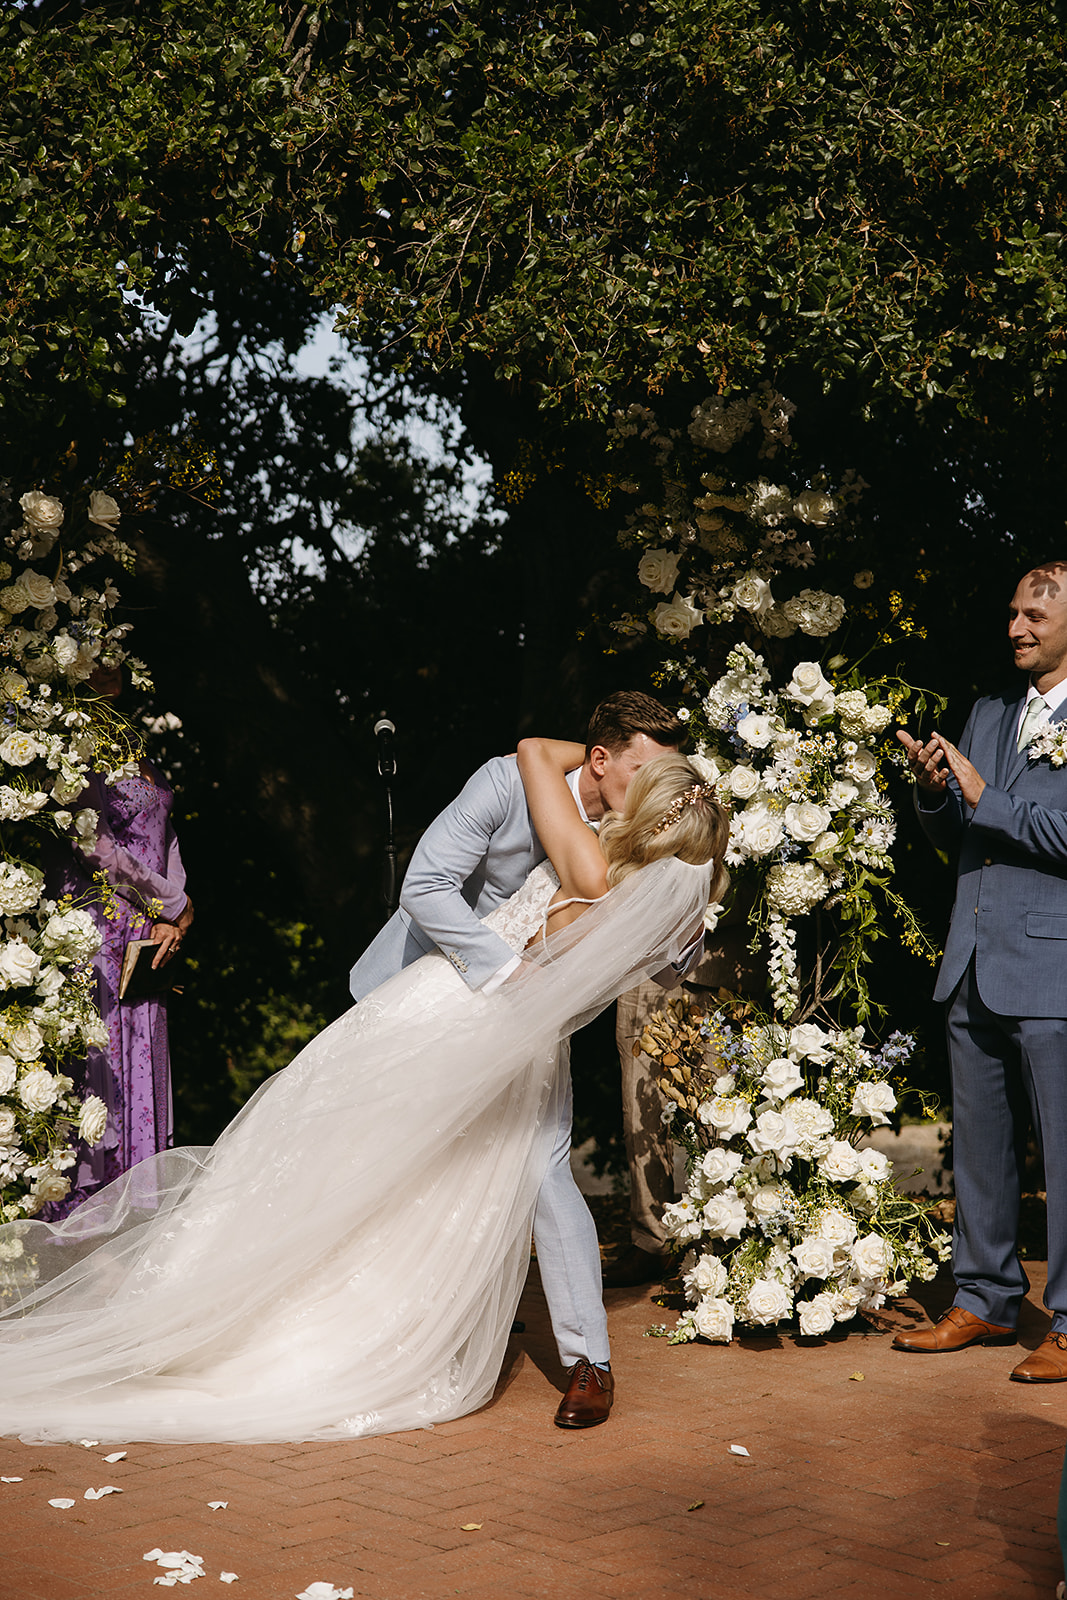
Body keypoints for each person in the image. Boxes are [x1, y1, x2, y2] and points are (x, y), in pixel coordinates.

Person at [0, 747, 726, 1446]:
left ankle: (308, 1319)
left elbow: (538, 749)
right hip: (493, 1021)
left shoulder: (588, 861)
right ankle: (360, 1321)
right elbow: (658, 957)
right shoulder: (643, 899)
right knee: (374, 1160)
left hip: (457, 1015)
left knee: (362, 1155)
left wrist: (602, 758)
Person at [349, 691, 705, 1426]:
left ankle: (588, 1362)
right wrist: (510, 975)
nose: (646, 792)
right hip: (434, 993)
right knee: (403, 1163)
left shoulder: (637, 839)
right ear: (599, 761)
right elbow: (423, 888)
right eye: (638, 772)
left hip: (532, 1027)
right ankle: (407, 1329)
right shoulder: (504, 784)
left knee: (542, 1169)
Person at [894, 560, 1067, 1381]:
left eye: (1035, 612)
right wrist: (936, 793)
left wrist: (985, 797)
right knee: (980, 1153)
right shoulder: (988, 712)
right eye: (1010, 613)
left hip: (1054, 967)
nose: (1015, 627)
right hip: (972, 960)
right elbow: (951, 835)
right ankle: (985, 1300)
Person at [44, 664, 192, 1217]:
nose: (110, 668)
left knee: (142, 1048)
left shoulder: (132, 743)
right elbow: (97, 850)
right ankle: (89, 1216)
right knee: (102, 1054)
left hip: (148, 930)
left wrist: (177, 912)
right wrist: (165, 902)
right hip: (104, 926)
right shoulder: (74, 751)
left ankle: (139, 1205)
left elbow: (166, 835)